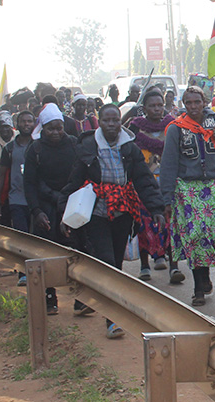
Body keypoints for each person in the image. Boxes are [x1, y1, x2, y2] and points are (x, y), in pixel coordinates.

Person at [62, 104, 165, 339]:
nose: (111, 125)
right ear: (99, 121)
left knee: (116, 264)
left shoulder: (129, 147)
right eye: (107, 120)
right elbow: (73, 181)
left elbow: (143, 179)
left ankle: (97, 301)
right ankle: (113, 319)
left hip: (123, 212)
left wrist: (156, 208)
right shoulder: (87, 147)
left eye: (115, 120)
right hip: (96, 213)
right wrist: (64, 212)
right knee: (107, 262)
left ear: (121, 122)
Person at [159, 87, 215, 306]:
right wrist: (167, 198)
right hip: (188, 189)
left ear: (204, 101)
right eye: (188, 103)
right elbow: (168, 164)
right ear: (184, 104)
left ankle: (205, 271)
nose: (193, 106)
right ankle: (199, 288)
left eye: (197, 102)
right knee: (196, 237)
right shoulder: (176, 129)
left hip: (214, 186)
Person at [23, 104, 82, 315]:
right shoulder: (35, 150)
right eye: (50, 129)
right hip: (45, 207)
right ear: (43, 128)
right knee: (47, 253)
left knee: (76, 251)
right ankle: (50, 297)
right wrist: (36, 211)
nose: (56, 133)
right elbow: (29, 183)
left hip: (71, 205)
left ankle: (81, 299)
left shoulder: (74, 145)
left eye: (59, 128)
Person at [125, 89, 180, 281]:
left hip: (168, 182)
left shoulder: (173, 126)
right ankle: (144, 265)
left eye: (160, 105)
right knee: (143, 223)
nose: (157, 109)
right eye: (152, 106)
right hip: (143, 184)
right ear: (144, 108)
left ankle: (174, 266)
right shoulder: (135, 128)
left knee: (170, 223)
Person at [0, 110, 35, 284]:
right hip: (16, 199)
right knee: (21, 237)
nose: (27, 124)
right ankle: (22, 273)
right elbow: (1, 174)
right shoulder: (9, 148)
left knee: (36, 238)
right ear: (17, 125)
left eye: (30, 121)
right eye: (23, 121)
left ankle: (36, 272)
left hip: (35, 200)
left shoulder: (38, 145)